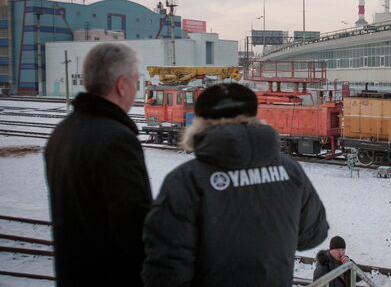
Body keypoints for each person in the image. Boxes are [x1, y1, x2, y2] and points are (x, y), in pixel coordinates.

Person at [141, 83, 329, 287]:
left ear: (201, 121)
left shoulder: (186, 180)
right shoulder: (290, 171)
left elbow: (166, 270)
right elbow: (313, 236)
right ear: (254, 116)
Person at [44, 43, 153, 286]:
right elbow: (135, 227)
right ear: (122, 85)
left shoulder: (61, 133)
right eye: (136, 82)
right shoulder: (117, 140)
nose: (136, 89)